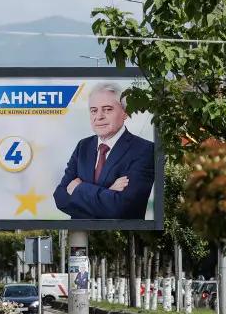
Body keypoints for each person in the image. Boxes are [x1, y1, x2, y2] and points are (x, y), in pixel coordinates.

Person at [51, 82, 155, 221]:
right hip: (80, 233)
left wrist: (78, 188)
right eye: (94, 110)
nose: (99, 116)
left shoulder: (145, 150)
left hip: (119, 237)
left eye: (107, 109)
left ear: (125, 112)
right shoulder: (83, 146)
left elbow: (120, 208)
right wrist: (107, 193)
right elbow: (60, 198)